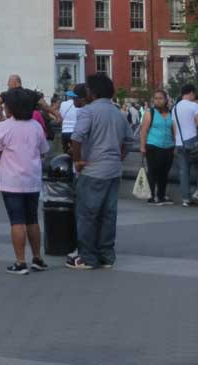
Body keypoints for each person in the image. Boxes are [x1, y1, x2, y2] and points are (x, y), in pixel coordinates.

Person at [66, 72, 132, 270]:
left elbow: (77, 137)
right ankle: (107, 256)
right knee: (108, 214)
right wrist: (117, 157)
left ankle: (87, 257)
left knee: (87, 214)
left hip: (93, 169)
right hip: (113, 170)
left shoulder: (88, 111)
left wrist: (77, 160)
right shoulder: (118, 113)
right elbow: (129, 141)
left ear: (92, 91)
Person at [0, 87, 49, 275]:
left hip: (11, 181)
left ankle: (20, 261)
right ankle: (37, 258)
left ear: (11, 107)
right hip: (32, 179)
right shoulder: (36, 126)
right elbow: (44, 150)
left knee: (17, 221)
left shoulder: (4, 126)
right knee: (32, 219)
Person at [172, 84, 198, 207]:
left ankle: (185, 198)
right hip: (193, 142)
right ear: (191, 93)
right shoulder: (194, 105)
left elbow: (174, 128)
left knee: (184, 171)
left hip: (179, 144)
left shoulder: (175, 108)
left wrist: (176, 141)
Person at [139, 89, 175, 204]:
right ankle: (151, 196)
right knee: (153, 171)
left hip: (168, 146)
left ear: (166, 100)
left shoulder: (171, 114)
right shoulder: (150, 113)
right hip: (153, 145)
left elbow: (174, 131)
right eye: (156, 99)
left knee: (164, 173)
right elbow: (143, 131)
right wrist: (142, 146)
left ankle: (161, 195)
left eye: (160, 98)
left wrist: (175, 145)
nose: (158, 101)